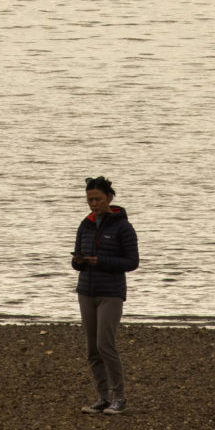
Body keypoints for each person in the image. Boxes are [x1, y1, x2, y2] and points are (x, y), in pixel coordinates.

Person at [71, 175, 139, 413]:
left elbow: (132, 262)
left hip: (111, 293)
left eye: (97, 199)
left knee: (105, 345)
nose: (93, 204)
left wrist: (101, 261)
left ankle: (119, 397)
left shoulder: (123, 227)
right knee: (92, 349)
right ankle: (102, 397)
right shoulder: (85, 224)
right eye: (90, 200)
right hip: (86, 291)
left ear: (109, 197)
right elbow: (77, 259)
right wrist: (79, 262)